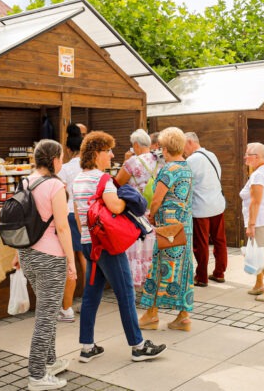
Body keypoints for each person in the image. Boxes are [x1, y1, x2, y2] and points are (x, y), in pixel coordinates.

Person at [73, 131, 166, 363]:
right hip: (107, 246)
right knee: (125, 293)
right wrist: (129, 196)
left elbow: (77, 215)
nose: (112, 155)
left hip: (88, 243)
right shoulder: (102, 179)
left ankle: (87, 346)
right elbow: (115, 208)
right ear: (96, 154)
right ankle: (138, 346)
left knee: (91, 295)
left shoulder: (77, 179)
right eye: (108, 151)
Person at [12, 140, 77, 391]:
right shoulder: (55, 185)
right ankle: (37, 375)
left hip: (29, 256)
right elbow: (62, 227)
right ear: (54, 160)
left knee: (46, 311)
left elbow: (22, 221)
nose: (62, 161)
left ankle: (49, 361)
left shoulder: (26, 181)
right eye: (60, 157)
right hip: (51, 257)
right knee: (47, 318)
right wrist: (71, 260)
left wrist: (19, 252)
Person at [139, 127, 195, 331]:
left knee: (160, 269)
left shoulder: (168, 170)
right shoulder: (187, 168)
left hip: (167, 229)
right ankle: (183, 316)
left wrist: (152, 216)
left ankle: (151, 315)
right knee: (183, 270)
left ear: (165, 148)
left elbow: (156, 199)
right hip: (184, 227)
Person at [115, 129, 159, 290]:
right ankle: (153, 283)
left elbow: (118, 182)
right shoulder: (158, 159)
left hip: (136, 212)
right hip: (153, 211)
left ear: (135, 144)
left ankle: (136, 283)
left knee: (137, 249)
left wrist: (126, 160)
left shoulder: (132, 162)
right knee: (152, 249)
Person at [183, 132, 227, 284]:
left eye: (184, 145)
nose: (183, 150)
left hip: (200, 207)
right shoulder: (211, 155)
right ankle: (219, 272)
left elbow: (186, 182)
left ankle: (201, 277)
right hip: (217, 204)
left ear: (190, 142)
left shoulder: (191, 160)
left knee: (200, 243)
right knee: (219, 240)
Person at [240, 142, 264, 302]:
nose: (245, 157)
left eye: (247, 154)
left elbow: (255, 201)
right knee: (256, 253)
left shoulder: (258, 175)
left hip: (260, 220)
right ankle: (259, 285)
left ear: (256, 157)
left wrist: (251, 224)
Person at [56, 124, 87, 322]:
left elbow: (59, 193)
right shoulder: (89, 167)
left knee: (69, 263)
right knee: (86, 260)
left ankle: (66, 308)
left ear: (67, 150)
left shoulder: (65, 169)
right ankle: (89, 299)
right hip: (85, 214)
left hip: (68, 215)